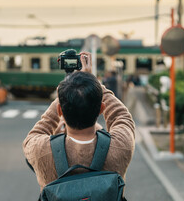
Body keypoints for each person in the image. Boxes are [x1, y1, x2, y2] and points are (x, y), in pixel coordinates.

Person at [23, 52, 135, 193]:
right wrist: (92, 81)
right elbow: (121, 116)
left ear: (60, 110)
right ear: (101, 109)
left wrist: (64, 92)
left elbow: (42, 126)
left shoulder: (40, 150)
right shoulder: (120, 146)